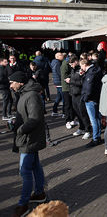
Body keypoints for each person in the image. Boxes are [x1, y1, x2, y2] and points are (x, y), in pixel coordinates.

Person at [9, 72, 47, 217]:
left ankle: (23, 204)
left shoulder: (31, 95)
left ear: (20, 82)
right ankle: (39, 193)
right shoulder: (25, 94)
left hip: (29, 139)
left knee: (24, 171)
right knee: (35, 165)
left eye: (12, 82)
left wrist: (20, 129)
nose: (11, 85)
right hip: (29, 138)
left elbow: (35, 118)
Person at [80, 59, 103, 147]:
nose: (81, 68)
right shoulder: (96, 70)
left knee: (93, 120)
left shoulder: (90, 73)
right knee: (97, 119)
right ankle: (98, 136)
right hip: (96, 98)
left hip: (90, 99)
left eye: (81, 66)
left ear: (85, 65)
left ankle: (95, 138)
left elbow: (88, 87)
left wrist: (85, 98)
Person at [67, 56, 91, 140]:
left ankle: (88, 130)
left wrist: (71, 81)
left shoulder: (81, 70)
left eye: (72, 64)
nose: (71, 66)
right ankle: (81, 128)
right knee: (77, 112)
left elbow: (82, 82)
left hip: (80, 94)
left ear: (76, 62)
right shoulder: (73, 70)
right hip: (73, 93)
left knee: (83, 113)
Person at [61, 54, 75, 129]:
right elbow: (64, 77)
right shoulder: (65, 65)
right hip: (66, 88)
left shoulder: (66, 64)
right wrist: (72, 76)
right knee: (67, 105)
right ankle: (67, 121)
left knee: (71, 105)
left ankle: (72, 119)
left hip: (69, 87)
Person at [51, 52, 64, 117]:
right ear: (58, 56)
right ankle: (64, 112)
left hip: (57, 81)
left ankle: (54, 110)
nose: (63, 56)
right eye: (61, 55)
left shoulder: (53, 62)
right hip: (60, 82)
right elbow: (60, 73)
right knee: (64, 97)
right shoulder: (58, 63)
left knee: (59, 97)